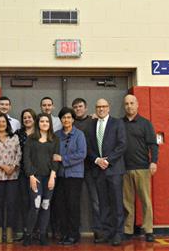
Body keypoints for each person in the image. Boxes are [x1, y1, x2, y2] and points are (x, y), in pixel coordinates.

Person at [87, 98, 126, 246]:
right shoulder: (91, 126)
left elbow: (122, 145)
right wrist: (97, 160)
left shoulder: (117, 123)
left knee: (116, 202)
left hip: (114, 169)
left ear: (108, 108)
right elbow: (89, 148)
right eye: (98, 107)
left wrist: (108, 161)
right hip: (99, 170)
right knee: (103, 204)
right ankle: (107, 233)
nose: (101, 109)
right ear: (96, 109)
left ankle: (118, 233)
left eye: (104, 106)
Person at [122, 94, 159, 242]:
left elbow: (153, 145)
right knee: (127, 202)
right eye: (126, 104)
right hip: (124, 169)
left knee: (145, 200)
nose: (129, 106)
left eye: (132, 103)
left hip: (143, 167)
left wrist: (154, 161)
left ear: (137, 105)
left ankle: (148, 230)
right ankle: (128, 230)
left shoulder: (145, 124)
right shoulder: (119, 123)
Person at [23, 113, 60, 246]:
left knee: (45, 206)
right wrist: (31, 176)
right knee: (35, 206)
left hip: (49, 177)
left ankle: (43, 235)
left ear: (50, 123)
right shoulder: (31, 139)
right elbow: (26, 159)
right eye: (42, 121)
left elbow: (56, 159)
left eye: (47, 121)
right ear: (38, 123)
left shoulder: (55, 139)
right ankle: (28, 234)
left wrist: (52, 176)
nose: (44, 123)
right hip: (35, 177)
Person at [0, 113, 22, 244]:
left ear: (8, 124)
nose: (1, 124)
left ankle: (10, 233)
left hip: (13, 176)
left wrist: (12, 166)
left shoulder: (15, 137)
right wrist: (3, 166)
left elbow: (19, 153)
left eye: (4, 122)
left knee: (12, 204)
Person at [54, 107, 87, 245]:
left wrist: (63, 159)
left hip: (75, 176)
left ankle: (74, 235)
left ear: (73, 119)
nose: (66, 120)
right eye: (63, 117)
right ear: (60, 119)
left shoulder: (79, 134)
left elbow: (82, 154)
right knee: (61, 206)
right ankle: (64, 233)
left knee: (73, 206)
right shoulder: (56, 135)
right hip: (60, 175)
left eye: (68, 117)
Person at [72, 98, 102, 239]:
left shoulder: (94, 121)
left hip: (91, 167)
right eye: (75, 107)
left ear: (85, 107)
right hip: (74, 168)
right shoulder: (70, 123)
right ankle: (74, 231)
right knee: (74, 201)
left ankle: (99, 231)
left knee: (95, 200)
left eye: (80, 106)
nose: (78, 109)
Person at [16, 108, 37, 239]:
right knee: (25, 202)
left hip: (39, 173)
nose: (27, 119)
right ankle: (26, 231)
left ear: (34, 119)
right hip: (23, 173)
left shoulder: (40, 133)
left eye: (29, 117)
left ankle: (37, 231)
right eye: (24, 118)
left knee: (36, 202)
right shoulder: (18, 133)